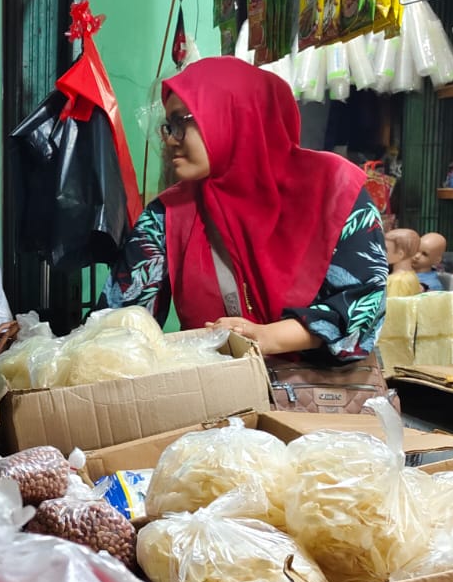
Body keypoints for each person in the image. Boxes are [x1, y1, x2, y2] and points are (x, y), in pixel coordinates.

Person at [104, 57, 387, 362]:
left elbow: (363, 305)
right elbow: (120, 325)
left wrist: (269, 337)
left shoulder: (334, 189)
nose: (171, 140)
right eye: (167, 126)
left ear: (235, 115)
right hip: (215, 397)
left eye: (181, 122)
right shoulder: (167, 215)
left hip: (316, 401)